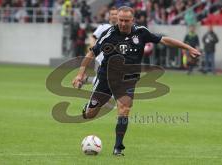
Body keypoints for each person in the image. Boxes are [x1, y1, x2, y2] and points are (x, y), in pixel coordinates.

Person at [72, 6, 201, 156]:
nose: (123, 23)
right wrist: (79, 75)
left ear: (132, 20)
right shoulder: (109, 34)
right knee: (90, 114)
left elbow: (164, 40)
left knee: (124, 109)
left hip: (128, 79)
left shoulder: (141, 32)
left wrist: (188, 48)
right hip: (106, 77)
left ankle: (118, 148)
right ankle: (88, 107)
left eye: (126, 20)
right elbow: (91, 53)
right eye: (120, 20)